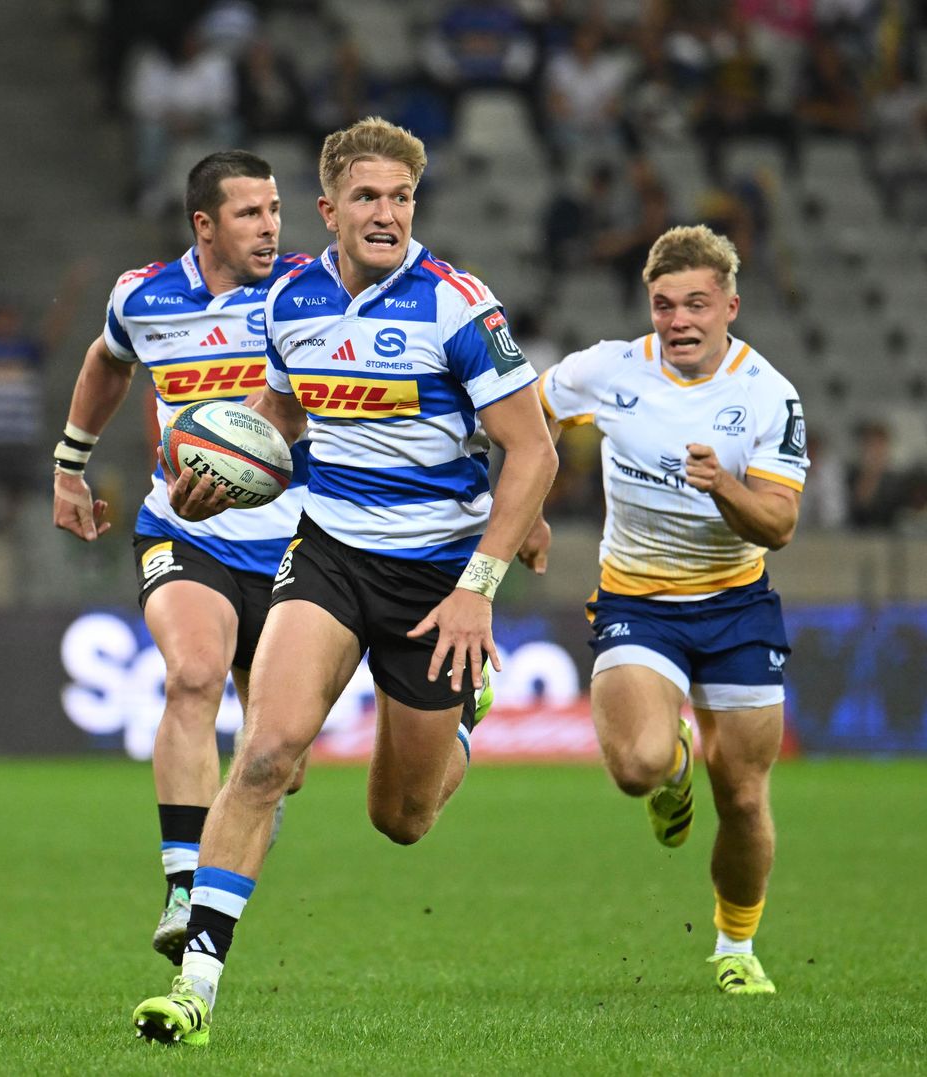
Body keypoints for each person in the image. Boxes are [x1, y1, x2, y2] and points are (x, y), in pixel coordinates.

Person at [131, 115, 558, 1046]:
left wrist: (480, 582)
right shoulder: (290, 303)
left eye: (402, 197)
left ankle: (464, 717)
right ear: (329, 208)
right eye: (368, 196)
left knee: (400, 818)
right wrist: (219, 474)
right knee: (268, 753)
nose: (387, 212)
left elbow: (533, 451)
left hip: (438, 579)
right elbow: (278, 411)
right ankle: (197, 985)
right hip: (327, 553)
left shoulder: (456, 305)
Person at [523, 224, 808, 995]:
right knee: (636, 766)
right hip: (637, 603)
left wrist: (727, 488)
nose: (679, 320)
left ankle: (735, 947)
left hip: (736, 605)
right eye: (663, 305)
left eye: (696, 305)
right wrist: (531, 505)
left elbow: (778, 525)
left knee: (744, 795)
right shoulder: (609, 369)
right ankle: (675, 761)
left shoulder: (768, 395)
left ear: (730, 307)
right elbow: (529, 412)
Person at [52, 149, 312, 967]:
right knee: (192, 674)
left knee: (280, 764)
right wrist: (70, 464)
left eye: (274, 209)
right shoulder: (143, 295)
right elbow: (106, 359)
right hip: (184, 528)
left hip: (300, 546)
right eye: (248, 213)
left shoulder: (312, 292)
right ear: (205, 224)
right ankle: (184, 884)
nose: (270, 226)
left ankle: (244, 810)